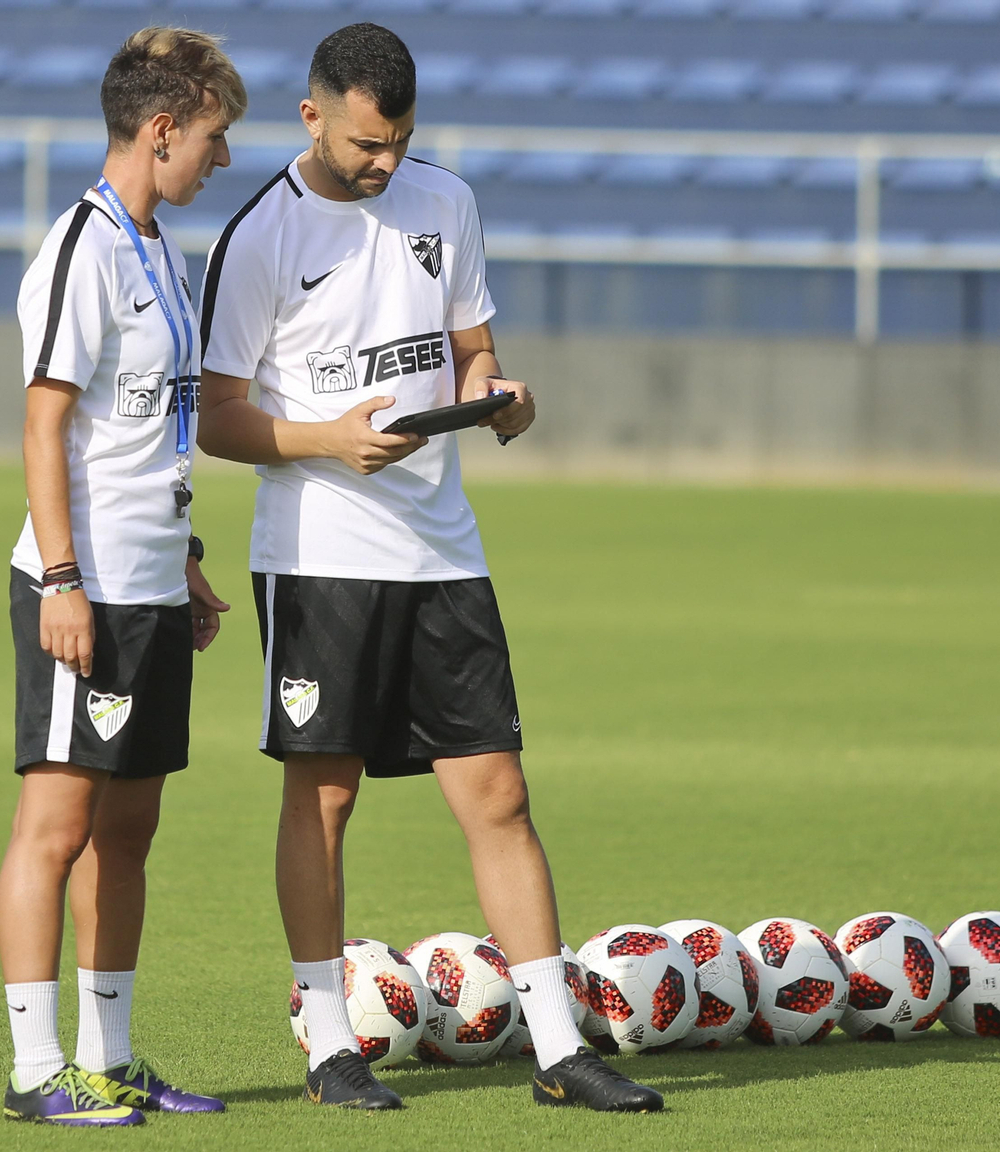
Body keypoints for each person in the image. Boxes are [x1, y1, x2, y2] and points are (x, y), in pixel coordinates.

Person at [197, 22, 662, 1113]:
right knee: (324, 797)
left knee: (498, 789)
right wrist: (329, 440)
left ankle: (558, 1049)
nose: (386, 162)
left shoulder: (444, 205)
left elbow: (471, 347)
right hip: (317, 556)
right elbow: (217, 421)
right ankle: (327, 1046)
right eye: (366, 142)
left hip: (440, 545)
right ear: (312, 116)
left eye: (401, 140)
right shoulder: (258, 235)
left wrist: (499, 391)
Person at [0, 27, 246, 1127]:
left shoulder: (164, 253)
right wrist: (62, 580)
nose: (218, 160)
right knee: (54, 828)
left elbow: (154, 436)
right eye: (211, 138)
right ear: (159, 131)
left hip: (148, 586)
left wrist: (183, 560)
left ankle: (109, 1054)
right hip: (80, 587)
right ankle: (33, 1068)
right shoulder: (79, 251)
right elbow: (43, 427)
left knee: (129, 831)